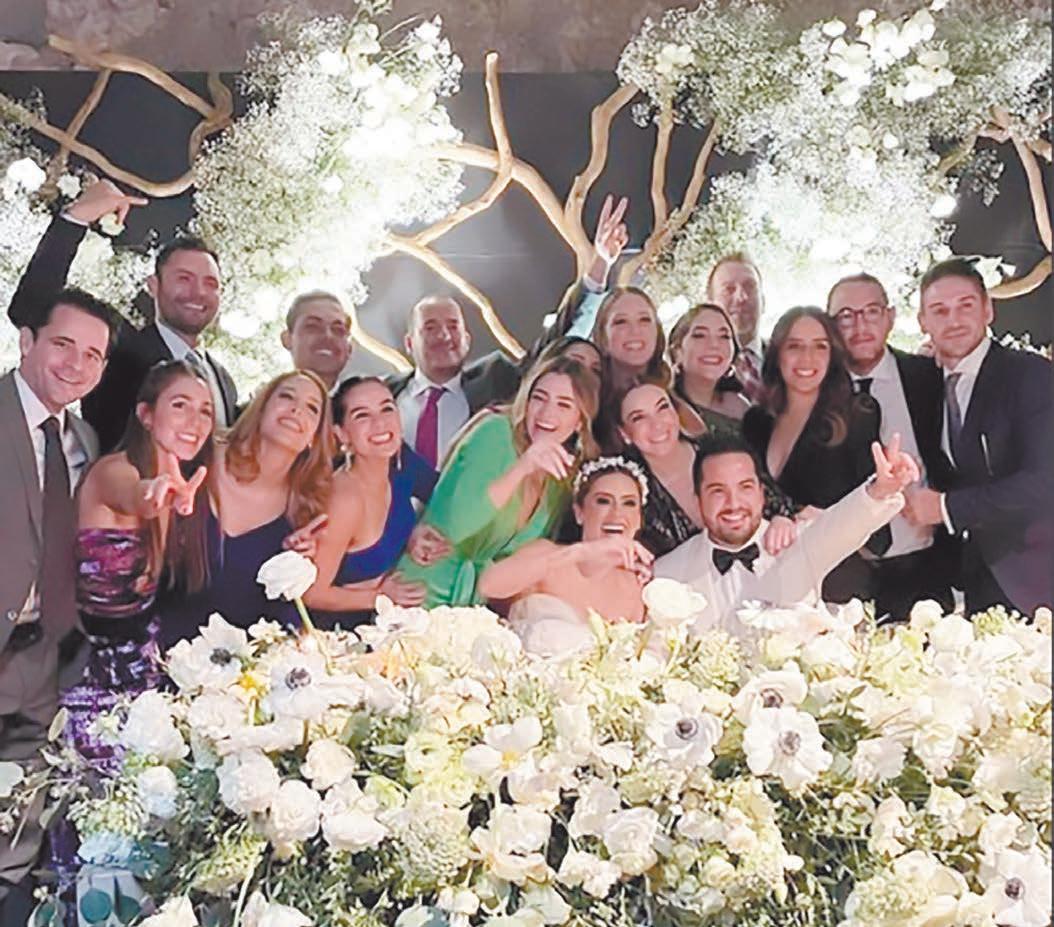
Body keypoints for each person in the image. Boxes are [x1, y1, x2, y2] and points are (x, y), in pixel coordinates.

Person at [50, 360, 213, 910]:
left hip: (144, 680)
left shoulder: (186, 482)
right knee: (99, 847)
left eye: (205, 410)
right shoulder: (115, 472)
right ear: (145, 414)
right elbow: (135, 495)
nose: (194, 420)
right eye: (179, 405)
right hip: (91, 686)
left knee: (145, 846)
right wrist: (155, 492)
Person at [0, 287, 118, 925]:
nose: (77, 364)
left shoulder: (84, 439)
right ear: (27, 341)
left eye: (93, 355)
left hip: (42, 662)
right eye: (63, 345)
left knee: (15, 830)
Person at [389, 194, 627, 467]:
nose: (443, 335)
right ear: (409, 343)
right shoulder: (383, 394)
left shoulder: (498, 380)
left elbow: (559, 342)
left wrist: (600, 264)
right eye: (430, 328)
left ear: (467, 340)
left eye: (453, 326)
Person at [8, 178, 238, 452]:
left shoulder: (223, 380)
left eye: (210, 283)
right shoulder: (121, 349)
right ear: (153, 286)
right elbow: (30, 307)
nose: (198, 292)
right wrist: (75, 219)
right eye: (184, 279)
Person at [653, 433, 917, 637]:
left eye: (745, 487)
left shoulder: (797, 542)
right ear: (698, 499)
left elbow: (845, 524)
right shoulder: (667, 573)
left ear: (761, 493)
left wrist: (880, 490)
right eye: (717, 491)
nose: (733, 503)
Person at [903, 258, 1052, 616]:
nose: (953, 320)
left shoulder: (1030, 375)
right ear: (923, 322)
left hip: (1035, 577)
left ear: (988, 310)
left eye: (965, 306)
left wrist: (945, 507)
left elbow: (1044, 481)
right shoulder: (924, 382)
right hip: (969, 582)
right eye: (940, 311)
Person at [395, 356, 600, 607]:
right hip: (418, 593)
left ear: (579, 421)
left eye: (564, 405)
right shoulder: (495, 432)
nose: (547, 413)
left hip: (474, 608)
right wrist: (522, 467)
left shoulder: (561, 479)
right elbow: (457, 526)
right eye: (539, 398)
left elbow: (518, 560)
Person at [159, 370, 334, 645]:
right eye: (287, 397)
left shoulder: (304, 511)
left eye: (312, 408)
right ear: (261, 407)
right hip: (153, 648)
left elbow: (283, 614)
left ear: (314, 436)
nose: (297, 410)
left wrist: (295, 566)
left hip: (238, 663)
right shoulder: (200, 458)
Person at [826, 273, 954, 619]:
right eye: (846, 316)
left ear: (891, 316)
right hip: (842, 571)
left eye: (871, 311)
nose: (860, 326)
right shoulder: (816, 390)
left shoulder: (928, 375)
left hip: (923, 565)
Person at [742, 306, 881, 603]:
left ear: (833, 355)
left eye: (820, 346)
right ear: (777, 354)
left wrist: (829, 519)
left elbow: (875, 516)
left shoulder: (858, 413)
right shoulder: (756, 422)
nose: (807, 358)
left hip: (837, 584)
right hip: (769, 581)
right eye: (795, 346)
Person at [479, 457, 654, 656]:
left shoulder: (634, 588)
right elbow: (488, 586)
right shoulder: (547, 555)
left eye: (629, 503)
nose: (617, 514)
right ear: (579, 513)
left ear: (639, 519)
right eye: (603, 501)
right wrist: (580, 552)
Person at [303, 377, 436, 625]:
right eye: (362, 415)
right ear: (342, 434)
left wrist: (413, 536)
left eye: (387, 409)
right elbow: (312, 593)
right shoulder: (344, 500)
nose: (380, 422)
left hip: (386, 624)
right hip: (338, 633)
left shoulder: (399, 468)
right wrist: (379, 597)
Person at [617, 381, 798, 558]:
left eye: (662, 408)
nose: (656, 424)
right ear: (624, 434)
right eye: (638, 418)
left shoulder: (719, 450)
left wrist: (783, 521)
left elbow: (784, 507)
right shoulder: (631, 491)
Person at [589, 287, 672, 451]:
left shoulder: (676, 397)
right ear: (603, 339)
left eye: (644, 320)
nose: (635, 331)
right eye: (621, 322)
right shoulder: (588, 402)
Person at [669, 302, 751, 435]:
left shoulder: (740, 407)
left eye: (724, 336)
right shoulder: (663, 408)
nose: (714, 345)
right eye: (700, 335)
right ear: (677, 351)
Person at [706, 253, 766, 402]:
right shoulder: (694, 374)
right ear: (710, 306)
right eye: (729, 289)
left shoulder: (789, 360)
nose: (741, 298)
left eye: (750, 287)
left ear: (763, 301)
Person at [281, 290, 353, 392]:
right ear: (287, 339)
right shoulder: (267, 400)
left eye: (338, 329)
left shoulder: (368, 399)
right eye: (313, 327)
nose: (328, 336)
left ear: (349, 349)